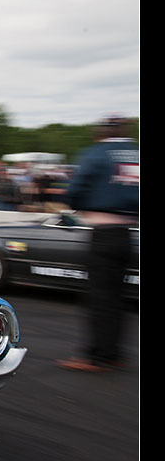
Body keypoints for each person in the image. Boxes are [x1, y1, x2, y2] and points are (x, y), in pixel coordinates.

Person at [56, 115, 139, 373]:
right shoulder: (135, 153)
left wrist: (76, 206)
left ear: (102, 132)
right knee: (115, 298)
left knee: (99, 298)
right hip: (127, 233)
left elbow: (75, 190)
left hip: (104, 233)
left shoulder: (97, 153)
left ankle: (96, 357)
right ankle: (112, 354)